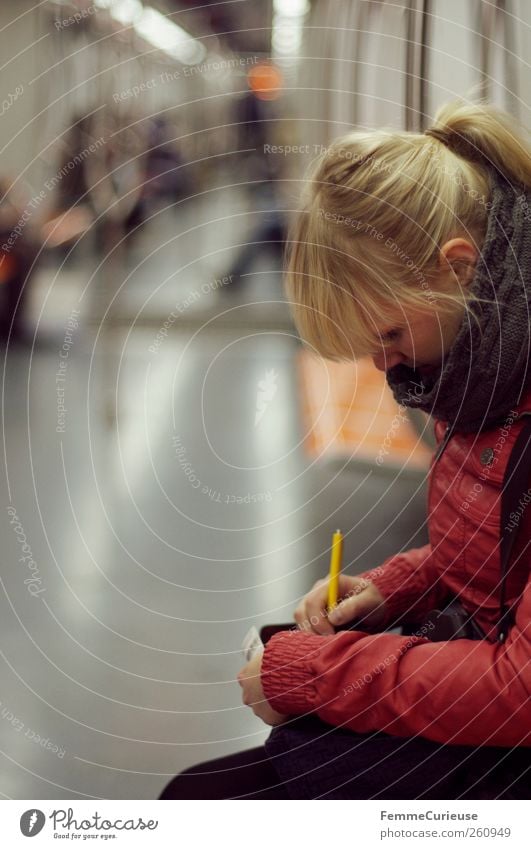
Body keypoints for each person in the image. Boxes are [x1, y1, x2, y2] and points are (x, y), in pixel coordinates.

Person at [159, 98, 531, 800]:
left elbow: (520, 690)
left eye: (388, 334)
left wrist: (313, 675)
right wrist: (393, 587)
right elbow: (507, 555)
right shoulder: (482, 371)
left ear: (457, 267)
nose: (389, 370)